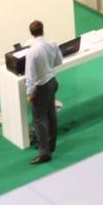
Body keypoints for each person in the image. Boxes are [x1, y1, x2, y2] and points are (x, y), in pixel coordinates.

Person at [23, 19, 62, 164]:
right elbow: (59, 61)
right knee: (51, 114)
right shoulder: (52, 43)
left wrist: (29, 93)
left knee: (39, 119)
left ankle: (44, 152)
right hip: (53, 82)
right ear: (42, 30)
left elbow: (30, 75)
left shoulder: (32, 51)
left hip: (42, 87)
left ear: (31, 33)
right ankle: (51, 145)